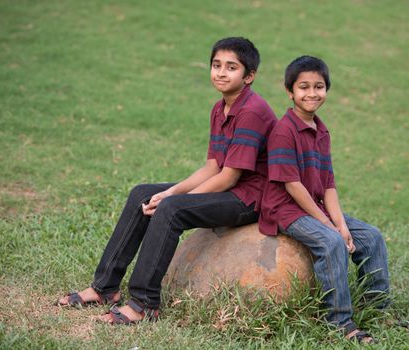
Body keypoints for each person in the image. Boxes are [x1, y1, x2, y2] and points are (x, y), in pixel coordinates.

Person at [57, 37, 277, 325]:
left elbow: (228, 176)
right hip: (229, 186)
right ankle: (105, 288)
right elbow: (212, 166)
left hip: (250, 199)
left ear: (249, 76)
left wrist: (174, 200)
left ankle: (144, 304)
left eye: (231, 67)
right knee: (142, 194)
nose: (221, 73)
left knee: (171, 209)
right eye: (216, 65)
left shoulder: (252, 111)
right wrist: (171, 191)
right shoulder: (220, 108)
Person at [258, 55, 390, 343]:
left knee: (371, 237)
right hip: (285, 210)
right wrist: (330, 228)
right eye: (303, 87)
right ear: (289, 91)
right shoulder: (284, 131)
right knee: (331, 243)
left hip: (313, 207)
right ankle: (340, 322)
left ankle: (378, 309)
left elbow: (328, 184)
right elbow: (292, 186)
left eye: (319, 86)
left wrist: (341, 224)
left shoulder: (321, 130)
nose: (312, 93)